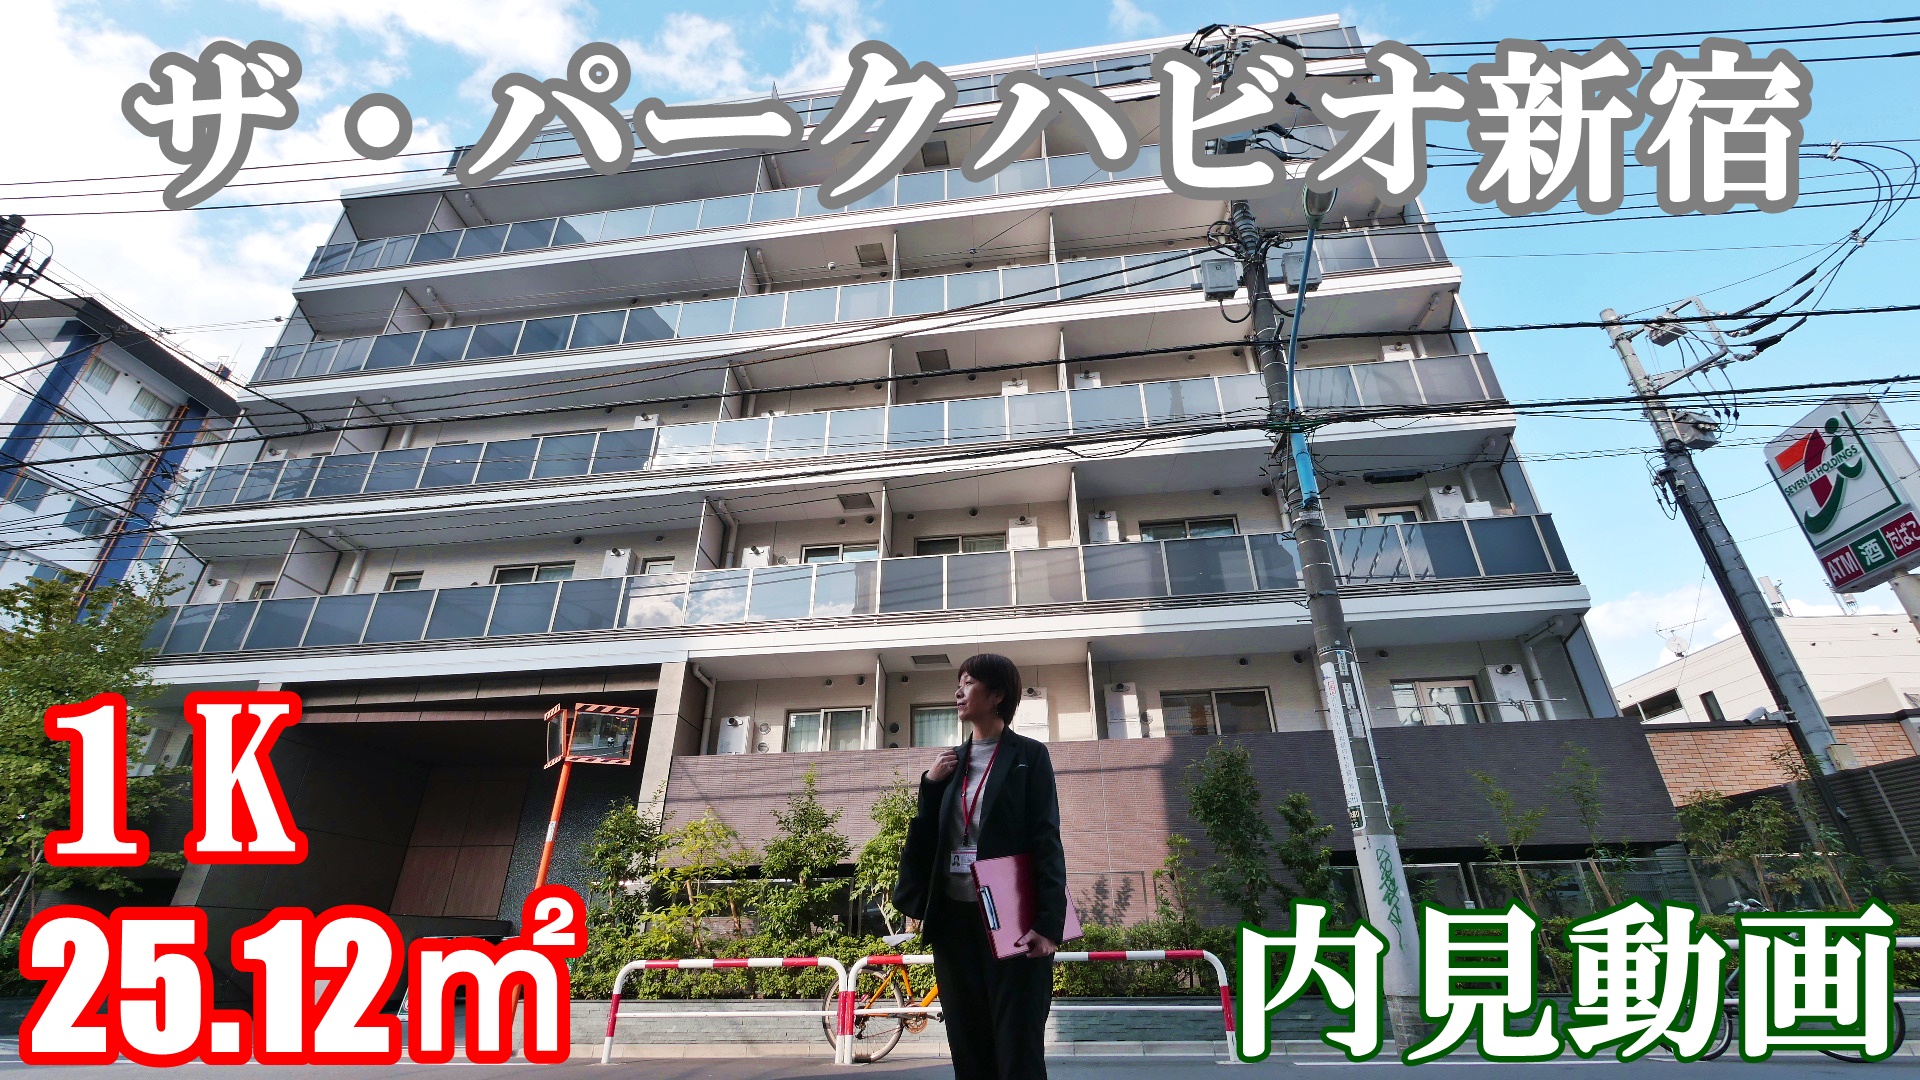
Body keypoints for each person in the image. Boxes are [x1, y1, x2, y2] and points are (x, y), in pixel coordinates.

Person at [895, 653, 1067, 1080]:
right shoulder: (949, 764)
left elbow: (1046, 838)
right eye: (959, 682)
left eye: (969, 682)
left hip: (1011, 919)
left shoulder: (1029, 755)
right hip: (954, 921)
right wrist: (930, 786)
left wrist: (1049, 925)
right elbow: (929, 836)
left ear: (997, 695)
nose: (958, 691)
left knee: (1017, 1043)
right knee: (967, 1042)